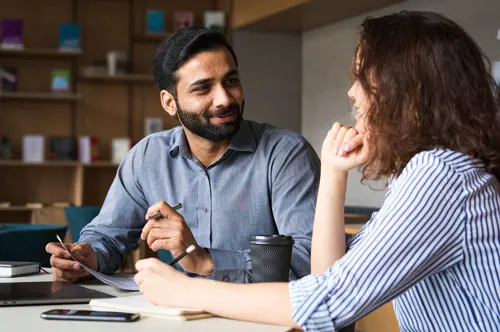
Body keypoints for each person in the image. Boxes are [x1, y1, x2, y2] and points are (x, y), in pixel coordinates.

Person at [133, 10, 500, 331]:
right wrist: (334, 174)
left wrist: (187, 289)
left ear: (405, 89)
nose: (352, 93)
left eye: (362, 76)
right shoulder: (426, 172)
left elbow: (326, 304)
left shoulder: (440, 175)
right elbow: (327, 276)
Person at [45, 26, 320, 284]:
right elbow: (107, 233)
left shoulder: (286, 153)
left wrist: (206, 261)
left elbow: (312, 258)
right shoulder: (148, 156)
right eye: (203, 88)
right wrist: (85, 256)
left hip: (267, 318)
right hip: (182, 315)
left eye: (231, 81)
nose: (224, 98)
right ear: (169, 103)